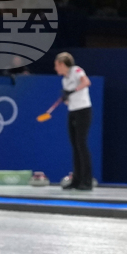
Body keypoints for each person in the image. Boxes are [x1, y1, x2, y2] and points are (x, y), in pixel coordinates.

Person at [54, 52, 93, 190]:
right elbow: (69, 99)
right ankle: (76, 180)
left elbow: (86, 82)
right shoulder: (64, 80)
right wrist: (66, 98)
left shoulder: (77, 71)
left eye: (56, 65)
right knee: (75, 145)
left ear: (62, 64)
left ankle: (87, 181)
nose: (55, 68)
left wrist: (73, 90)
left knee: (81, 144)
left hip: (83, 111)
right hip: (72, 112)